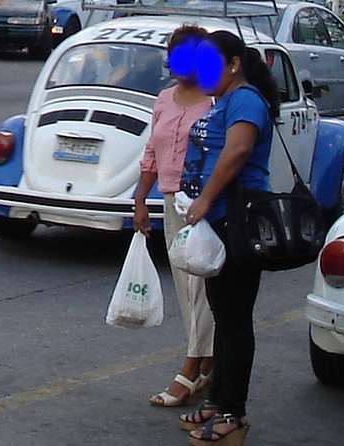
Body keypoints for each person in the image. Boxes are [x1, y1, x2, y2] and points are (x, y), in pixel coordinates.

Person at [177, 30, 280, 446]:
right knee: (224, 315)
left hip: (237, 220)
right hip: (221, 219)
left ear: (234, 65)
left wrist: (205, 199)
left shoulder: (245, 100)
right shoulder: (225, 101)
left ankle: (231, 415)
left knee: (235, 319)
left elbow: (236, 152)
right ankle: (218, 400)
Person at [133, 25, 215, 408]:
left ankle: (191, 366)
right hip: (171, 202)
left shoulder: (217, 99)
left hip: (206, 206)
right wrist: (140, 200)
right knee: (185, 288)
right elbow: (152, 149)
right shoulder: (165, 99)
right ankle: (207, 364)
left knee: (202, 289)